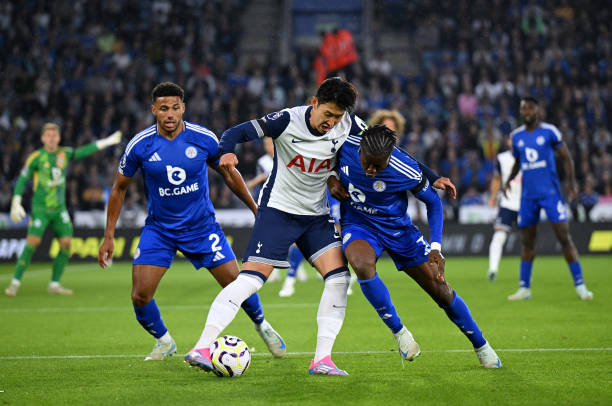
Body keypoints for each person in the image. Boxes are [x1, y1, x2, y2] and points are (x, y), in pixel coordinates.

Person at [97, 82, 286, 362]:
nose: (170, 114)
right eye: (164, 108)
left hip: (202, 228)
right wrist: (109, 236)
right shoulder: (140, 144)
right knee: (140, 295)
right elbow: (118, 188)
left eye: (175, 108)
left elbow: (229, 173)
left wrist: (256, 209)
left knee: (237, 285)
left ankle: (262, 324)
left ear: (183, 108)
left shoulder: (203, 138)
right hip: (160, 230)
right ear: (154, 110)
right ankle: (164, 341)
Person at [186, 77, 362, 376]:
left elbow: (382, 147)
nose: (331, 122)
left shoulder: (350, 124)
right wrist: (226, 151)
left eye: (337, 117)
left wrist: (428, 178)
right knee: (251, 280)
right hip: (278, 212)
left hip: (316, 216)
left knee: (339, 278)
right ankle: (201, 348)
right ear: (314, 103)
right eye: (328, 114)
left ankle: (322, 360)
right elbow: (234, 132)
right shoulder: (286, 120)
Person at [327, 125, 502, 368]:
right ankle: (399, 332)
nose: (371, 170)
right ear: (360, 150)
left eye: (378, 165)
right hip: (359, 225)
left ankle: (481, 345)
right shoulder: (344, 146)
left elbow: (434, 203)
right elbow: (320, 163)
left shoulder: (404, 169)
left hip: (399, 231)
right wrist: (330, 179)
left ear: (389, 157)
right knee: (361, 264)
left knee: (440, 289)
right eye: (368, 162)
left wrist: (436, 247)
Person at [5, 123, 122, 297]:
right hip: (41, 208)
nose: (51, 138)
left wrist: (107, 141)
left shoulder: (64, 153)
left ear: (59, 138)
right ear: (43, 138)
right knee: (32, 242)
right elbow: (22, 179)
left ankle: (54, 284)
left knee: (66, 243)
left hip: (59, 209)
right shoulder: (36, 157)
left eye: (54, 135)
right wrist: (16, 202)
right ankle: (15, 283)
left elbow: (84, 151)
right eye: (48, 135)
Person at [504, 96, 593, 301]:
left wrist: (572, 185)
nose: (527, 112)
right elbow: (518, 161)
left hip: (551, 194)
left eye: (530, 108)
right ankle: (524, 288)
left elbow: (567, 158)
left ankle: (580, 286)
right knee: (527, 242)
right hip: (528, 197)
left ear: (537, 110)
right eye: (524, 109)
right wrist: (508, 181)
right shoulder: (516, 136)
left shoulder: (550, 131)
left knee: (564, 237)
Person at [246, 137, 308, 296]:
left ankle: (295, 268)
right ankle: (275, 270)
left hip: (289, 200)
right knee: (273, 237)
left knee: (293, 238)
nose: (268, 146)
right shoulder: (262, 161)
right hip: (270, 202)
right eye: (266, 144)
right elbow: (262, 182)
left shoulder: (288, 156)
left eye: (270, 143)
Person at [487, 137, 522, 281]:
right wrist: (493, 196)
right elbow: (497, 179)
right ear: (508, 141)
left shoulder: (529, 156)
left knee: (528, 240)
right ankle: (493, 270)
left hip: (525, 203)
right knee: (499, 236)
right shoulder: (502, 158)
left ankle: (525, 275)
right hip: (507, 202)